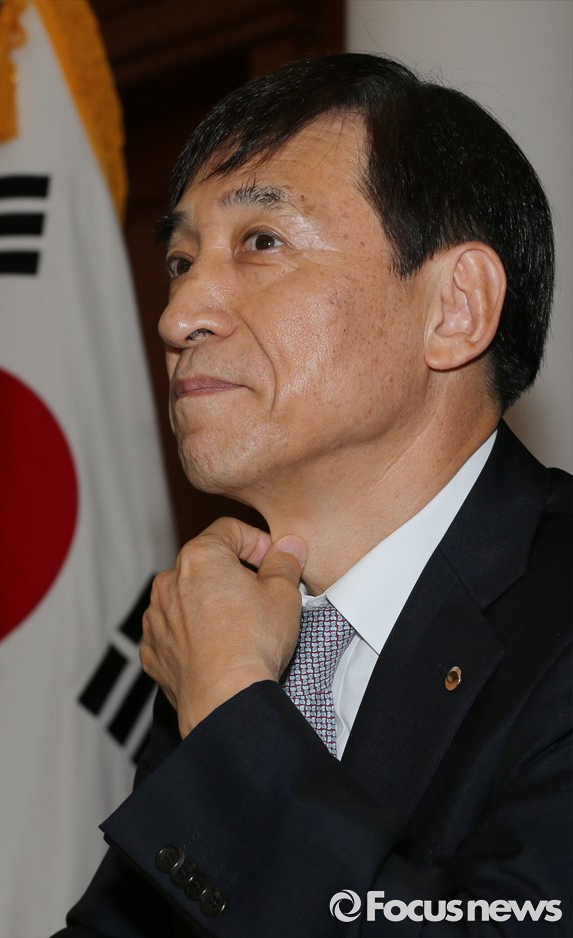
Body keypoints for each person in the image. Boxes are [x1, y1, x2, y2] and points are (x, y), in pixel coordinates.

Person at [55, 53, 572, 936]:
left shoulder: (226, 671)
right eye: (181, 259)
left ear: (455, 308)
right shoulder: (238, 629)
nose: (177, 317)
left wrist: (231, 708)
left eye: (261, 242)